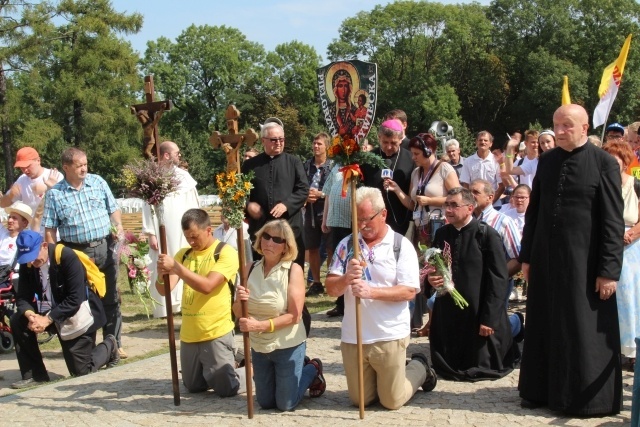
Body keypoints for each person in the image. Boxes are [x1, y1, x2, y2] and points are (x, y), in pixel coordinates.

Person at [518, 104, 624, 416]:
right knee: (545, 323)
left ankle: (586, 399)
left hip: (585, 262)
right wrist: (527, 257)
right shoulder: (547, 161)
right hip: (547, 259)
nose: (560, 131)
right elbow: (534, 212)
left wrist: (608, 270)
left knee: (580, 327)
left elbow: (613, 222)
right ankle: (540, 390)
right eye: (556, 125)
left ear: (583, 127)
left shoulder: (604, 163)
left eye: (566, 126)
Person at [325, 186, 437, 410]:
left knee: (391, 401)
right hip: (354, 336)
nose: (362, 225)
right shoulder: (347, 244)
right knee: (361, 401)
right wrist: (346, 278)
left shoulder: (400, 246)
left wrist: (371, 292)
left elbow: (409, 291)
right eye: (357, 220)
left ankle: (419, 367)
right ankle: (381, 379)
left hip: (388, 335)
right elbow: (330, 289)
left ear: (383, 214)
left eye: (367, 219)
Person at [42, 147, 125, 360]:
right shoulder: (55, 194)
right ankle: (91, 347)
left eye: (85, 164)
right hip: (77, 253)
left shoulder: (98, 182)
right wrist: (55, 256)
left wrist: (118, 226)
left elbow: (113, 208)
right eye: (79, 166)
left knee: (111, 297)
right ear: (66, 167)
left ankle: (114, 343)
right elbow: (50, 228)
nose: (84, 169)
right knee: (85, 301)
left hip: (104, 246)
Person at [233, 220, 326, 411]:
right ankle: (291, 375)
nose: (269, 242)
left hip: (287, 343)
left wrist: (260, 326)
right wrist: (239, 301)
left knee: (286, 404)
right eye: (266, 236)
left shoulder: (294, 270)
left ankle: (312, 368)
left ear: (286, 246)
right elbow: (237, 312)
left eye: (277, 239)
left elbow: (295, 315)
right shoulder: (249, 268)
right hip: (259, 346)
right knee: (265, 402)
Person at [427, 187, 517, 381]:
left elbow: (498, 279)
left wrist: (489, 318)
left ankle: (517, 323)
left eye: (454, 205)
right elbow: (433, 267)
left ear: (469, 208)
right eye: (446, 205)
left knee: (481, 361)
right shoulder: (442, 234)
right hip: (451, 311)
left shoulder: (487, 235)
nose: (448, 210)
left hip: (479, 312)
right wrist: (431, 279)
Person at [10, 230, 118, 389]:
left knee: (81, 371)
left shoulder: (66, 256)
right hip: (49, 312)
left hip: (76, 312)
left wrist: (47, 319)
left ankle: (110, 345)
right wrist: (31, 315)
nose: (32, 262)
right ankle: (35, 374)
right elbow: (23, 297)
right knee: (17, 319)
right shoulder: (28, 263)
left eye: (34, 256)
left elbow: (76, 298)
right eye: (28, 259)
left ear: (44, 246)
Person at [155, 208, 245, 396]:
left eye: (195, 237)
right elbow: (164, 289)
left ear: (209, 230)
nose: (191, 242)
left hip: (216, 330)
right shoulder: (184, 255)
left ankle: (250, 368)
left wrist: (177, 268)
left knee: (227, 389)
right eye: (188, 238)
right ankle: (219, 365)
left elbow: (207, 286)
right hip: (190, 333)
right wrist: (160, 273)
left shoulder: (225, 252)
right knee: (194, 387)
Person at [386, 132, 460, 333]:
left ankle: (436, 320)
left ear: (429, 151)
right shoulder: (416, 173)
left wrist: (431, 201)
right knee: (420, 275)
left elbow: (457, 199)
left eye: (417, 153)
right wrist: (397, 190)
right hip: (420, 229)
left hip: (439, 226)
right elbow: (412, 203)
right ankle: (419, 318)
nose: (414, 157)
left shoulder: (445, 169)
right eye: (412, 153)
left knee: (439, 273)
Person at [142, 140, 200, 318]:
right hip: (163, 231)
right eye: (177, 153)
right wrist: (151, 232)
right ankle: (165, 305)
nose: (179, 156)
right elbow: (147, 206)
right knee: (163, 262)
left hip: (183, 229)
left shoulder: (184, 177)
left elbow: (194, 201)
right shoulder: (153, 176)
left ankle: (184, 302)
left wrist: (197, 226)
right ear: (166, 155)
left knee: (185, 261)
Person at [242, 119, 309, 267]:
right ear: (264, 141)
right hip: (261, 227)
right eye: (274, 140)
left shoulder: (294, 162)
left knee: (291, 269)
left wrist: (287, 205)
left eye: (281, 139)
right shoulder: (250, 165)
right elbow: (239, 193)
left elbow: (303, 189)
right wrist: (248, 205)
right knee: (261, 269)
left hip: (289, 226)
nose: (278, 143)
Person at [602, 141, 640, 371]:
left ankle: (633, 348)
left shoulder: (636, 185)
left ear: (625, 162)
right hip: (607, 244)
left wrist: (632, 234)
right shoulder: (602, 184)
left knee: (630, 298)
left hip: (630, 248)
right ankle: (612, 346)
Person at [361, 119, 415, 235]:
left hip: (401, 220)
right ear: (379, 137)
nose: (389, 147)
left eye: (394, 143)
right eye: (385, 142)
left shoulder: (411, 159)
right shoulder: (368, 159)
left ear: (401, 140)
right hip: (373, 220)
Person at [0, 147, 62, 232]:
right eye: (21, 167)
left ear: (38, 161)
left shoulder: (53, 176)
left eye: (28, 166)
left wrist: (50, 188)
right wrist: (10, 196)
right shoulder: (22, 180)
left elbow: (66, 203)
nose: (25, 170)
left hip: (55, 232)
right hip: (33, 233)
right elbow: (3, 204)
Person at [321, 162, 353, 317]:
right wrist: (325, 218)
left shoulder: (358, 163)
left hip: (351, 222)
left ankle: (350, 303)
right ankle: (340, 304)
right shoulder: (335, 165)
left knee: (352, 263)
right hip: (336, 222)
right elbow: (328, 192)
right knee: (339, 263)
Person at [303, 133, 332, 296]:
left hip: (326, 209)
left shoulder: (333, 166)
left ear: (326, 146)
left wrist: (320, 194)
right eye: (314, 143)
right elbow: (300, 184)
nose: (315, 146)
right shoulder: (307, 165)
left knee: (329, 248)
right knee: (312, 247)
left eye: (319, 144)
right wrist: (306, 195)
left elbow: (335, 188)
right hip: (310, 211)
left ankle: (330, 280)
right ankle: (316, 282)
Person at [459, 131, 505, 201]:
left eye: (485, 140)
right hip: (474, 203)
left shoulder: (496, 161)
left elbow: (502, 186)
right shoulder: (468, 161)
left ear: (491, 144)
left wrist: (491, 202)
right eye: (480, 140)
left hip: (494, 203)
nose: (483, 142)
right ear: (476, 142)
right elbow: (466, 185)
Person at [0, 202, 33, 287]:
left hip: (8, 278)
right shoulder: (2, 232)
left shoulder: (25, 240)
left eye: (14, 218)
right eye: (9, 217)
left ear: (24, 223)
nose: (10, 220)